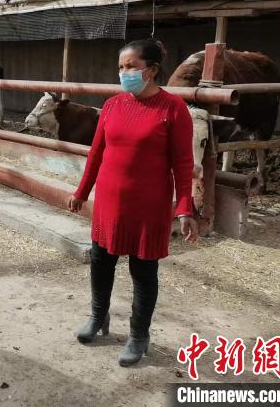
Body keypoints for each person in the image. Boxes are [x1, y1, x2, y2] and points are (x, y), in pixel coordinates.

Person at [69, 39, 198, 366]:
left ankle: (139, 335)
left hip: (148, 206)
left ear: (151, 70)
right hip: (109, 202)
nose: (124, 73)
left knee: (143, 272)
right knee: (101, 262)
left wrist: (184, 207)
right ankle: (98, 317)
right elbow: (96, 154)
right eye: (121, 67)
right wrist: (82, 192)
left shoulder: (173, 109)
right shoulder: (112, 106)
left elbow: (183, 165)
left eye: (131, 66)